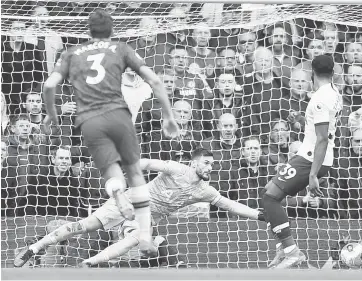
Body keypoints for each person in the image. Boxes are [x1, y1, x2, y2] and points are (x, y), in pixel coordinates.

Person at [40, 9, 179, 255]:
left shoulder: (72, 53)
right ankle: (145, 237)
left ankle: (116, 193)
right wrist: (168, 116)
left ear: (88, 30)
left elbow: (49, 85)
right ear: (112, 30)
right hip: (118, 115)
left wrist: (52, 115)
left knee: (110, 171)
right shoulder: (122, 48)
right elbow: (156, 81)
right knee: (135, 174)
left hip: (90, 120)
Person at [14, 148, 264, 268]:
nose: (210, 167)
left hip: (144, 217)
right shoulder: (177, 169)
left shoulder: (205, 191)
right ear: (194, 163)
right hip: (131, 198)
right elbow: (146, 162)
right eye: (207, 163)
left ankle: (89, 263)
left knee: (138, 237)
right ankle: (34, 248)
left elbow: (229, 204)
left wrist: (258, 214)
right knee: (82, 227)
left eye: (212, 164)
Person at [261, 54, 342, 269]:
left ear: (311, 73)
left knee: (270, 198)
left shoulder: (319, 99)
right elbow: (319, 131)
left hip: (310, 158)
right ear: (333, 72)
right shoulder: (334, 93)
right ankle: (283, 248)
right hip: (311, 154)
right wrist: (299, 122)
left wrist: (313, 175)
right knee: (269, 191)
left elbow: (323, 138)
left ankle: (291, 251)